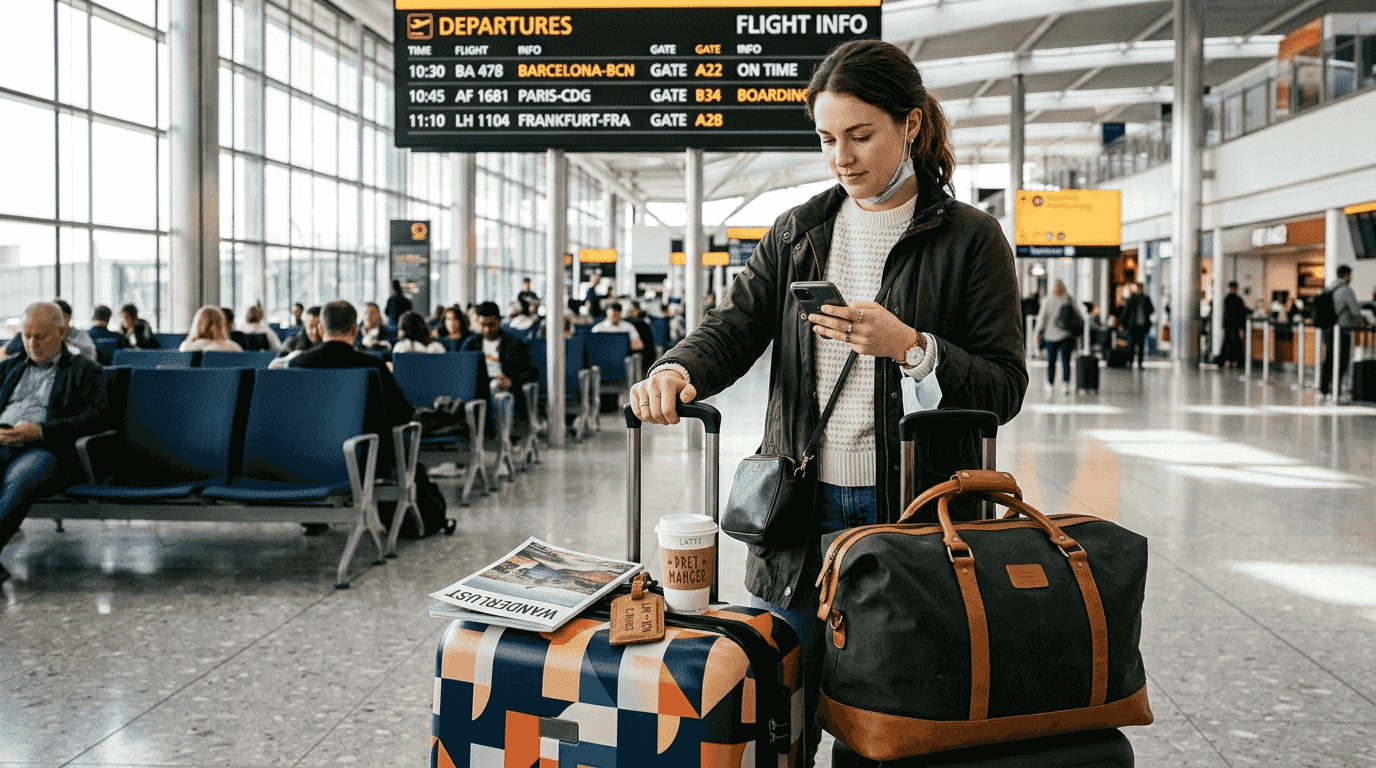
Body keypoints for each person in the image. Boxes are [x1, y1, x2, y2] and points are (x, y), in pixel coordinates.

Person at [629, 39, 1026, 768]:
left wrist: (913, 346)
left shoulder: (971, 239)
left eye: (860, 134)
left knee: (887, 726)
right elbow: (733, 326)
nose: (841, 156)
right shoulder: (800, 232)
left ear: (910, 125)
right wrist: (677, 370)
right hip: (801, 512)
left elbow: (1004, 387)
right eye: (826, 138)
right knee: (781, 710)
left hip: (909, 515)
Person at [0, 302, 108, 583]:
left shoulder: (85, 370)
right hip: (3, 441)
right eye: (26, 336)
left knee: (22, 477)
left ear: (61, 332)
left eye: (40, 336)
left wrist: (41, 431)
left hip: (46, 449)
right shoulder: (8, 369)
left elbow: (96, 419)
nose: (32, 343)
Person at [288, 301, 416, 533]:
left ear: (320, 330)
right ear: (355, 329)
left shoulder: (297, 364)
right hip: (365, 462)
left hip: (305, 460)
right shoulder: (373, 365)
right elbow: (403, 413)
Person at [461, 302, 539, 416]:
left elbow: (532, 373)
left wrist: (511, 381)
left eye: (491, 325)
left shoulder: (515, 344)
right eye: (483, 325)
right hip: (479, 388)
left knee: (497, 389)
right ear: (478, 322)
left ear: (499, 321)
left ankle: (500, 432)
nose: (487, 329)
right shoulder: (471, 344)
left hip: (504, 389)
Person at [1319, 264, 1370, 402]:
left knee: (1329, 360)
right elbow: (1355, 312)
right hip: (1342, 331)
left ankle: (1324, 391)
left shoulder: (1329, 288)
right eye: (1350, 275)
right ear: (1347, 275)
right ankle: (1337, 392)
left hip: (1328, 330)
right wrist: (1364, 324)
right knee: (1341, 362)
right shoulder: (1346, 290)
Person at [2, 300, 98, 363]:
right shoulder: (25, 337)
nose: (32, 344)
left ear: (68, 319)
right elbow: (4, 354)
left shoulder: (77, 337)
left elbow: (90, 355)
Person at [1035, 280, 1079, 394]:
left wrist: (1037, 332)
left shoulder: (1047, 300)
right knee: (1066, 361)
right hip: (1066, 335)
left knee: (1051, 361)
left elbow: (1042, 318)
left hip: (1050, 336)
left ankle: (1050, 384)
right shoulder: (1069, 298)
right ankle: (1066, 385)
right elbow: (1077, 313)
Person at [1121, 282, 1154, 369]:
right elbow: (1126, 312)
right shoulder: (1131, 298)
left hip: (1142, 326)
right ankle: (1130, 362)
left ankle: (1140, 363)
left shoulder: (1146, 299)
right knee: (1131, 344)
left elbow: (1151, 310)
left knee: (1141, 345)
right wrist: (1123, 324)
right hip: (1132, 326)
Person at [1218, 281, 1249, 371]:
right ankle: (1234, 361)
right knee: (1234, 343)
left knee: (1229, 343)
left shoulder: (1227, 299)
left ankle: (1226, 361)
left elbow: (1228, 314)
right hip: (1234, 326)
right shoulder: (1237, 300)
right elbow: (1241, 312)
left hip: (1229, 326)